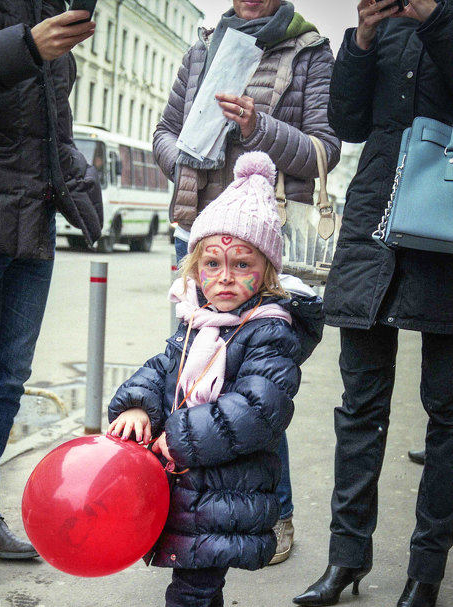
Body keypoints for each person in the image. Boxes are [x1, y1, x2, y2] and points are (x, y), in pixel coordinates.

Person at [107, 153, 323, 607]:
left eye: (242, 263)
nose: (225, 276)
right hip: (195, 490)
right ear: (195, 265)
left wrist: (178, 437)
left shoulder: (269, 332)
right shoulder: (199, 324)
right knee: (204, 587)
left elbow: (257, 408)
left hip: (218, 488)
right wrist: (142, 407)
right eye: (212, 262)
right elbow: (159, 369)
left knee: (190, 596)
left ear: (267, 270)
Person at [153, 0, 340, 566]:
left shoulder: (308, 51)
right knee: (188, 377)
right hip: (202, 242)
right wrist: (187, 156)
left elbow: (323, 152)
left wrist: (259, 129)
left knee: (253, 388)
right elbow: (164, 131)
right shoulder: (204, 45)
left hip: (262, 247)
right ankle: (184, 512)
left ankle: (274, 512)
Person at [293, 0, 453, 607]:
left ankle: (425, 571)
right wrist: (360, 39)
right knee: (359, 402)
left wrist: (436, 16)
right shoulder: (380, 26)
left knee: (446, 412)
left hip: (444, 224)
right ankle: (346, 558)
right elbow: (348, 121)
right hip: (375, 225)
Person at [0, 2, 103, 560]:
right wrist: (26, 47)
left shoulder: (55, 7)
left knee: (8, 378)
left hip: (34, 213)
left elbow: (57, 124)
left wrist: (77, 182)